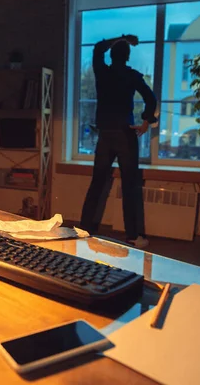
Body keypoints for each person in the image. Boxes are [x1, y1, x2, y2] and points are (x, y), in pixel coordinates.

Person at [80, 34, 157, 248]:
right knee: (130, 185)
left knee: (97, 183)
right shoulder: (132, 75)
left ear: (112, 54)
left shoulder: (102, 72)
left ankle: (84, 229)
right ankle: (132, 236)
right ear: (128, 57)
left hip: (105, 135)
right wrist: (145, 122)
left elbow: (97, 48)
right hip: (125, 134)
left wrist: (121, 38)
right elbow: (150, 99)